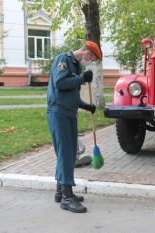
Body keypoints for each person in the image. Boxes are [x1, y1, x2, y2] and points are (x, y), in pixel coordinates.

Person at [47, 41, 102, 213]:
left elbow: (72, 94)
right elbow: (60, 83)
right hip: (59, 113)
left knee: (69, 153)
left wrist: (86, 106)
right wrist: (82, 79)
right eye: (91, 59)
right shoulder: (62, 59)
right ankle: (66, 197)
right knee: (65, 153)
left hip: (69, 113)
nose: (90, 63)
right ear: (87, 54)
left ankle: (59, 191)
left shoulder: (76, 67)